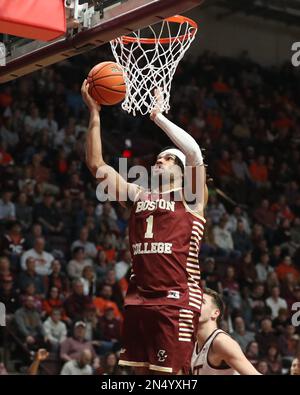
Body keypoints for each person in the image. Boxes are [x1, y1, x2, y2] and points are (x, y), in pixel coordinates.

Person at [82, 81, 208, 375]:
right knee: (141, 375)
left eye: (168, 158)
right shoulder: (138, 196)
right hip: (139, 297)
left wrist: (157, 116)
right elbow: (96, 164)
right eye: (159, 158)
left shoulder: (191, 198)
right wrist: (95, 113)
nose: (160, 161)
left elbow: (194, 154)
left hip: (176, 300)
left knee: (172, 377)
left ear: (181, 171)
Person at [191, 288, 260, 375]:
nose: (195, 306)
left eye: (202, 302)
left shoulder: (221, 342)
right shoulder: (193, 346)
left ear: (215, 313)